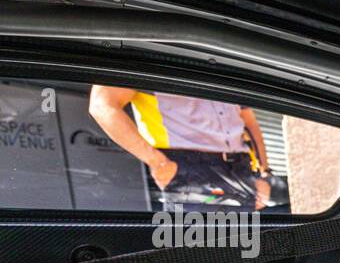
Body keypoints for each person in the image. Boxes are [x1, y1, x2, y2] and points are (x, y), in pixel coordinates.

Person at [88, 86, 270, 210]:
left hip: (241, 168)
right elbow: (102, 105)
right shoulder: (147, 52)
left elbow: (249, 123)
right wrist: (157, 163)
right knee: (201, 255)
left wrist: (263, 174)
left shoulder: (219, 58)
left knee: (244, 253)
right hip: (191, 170)